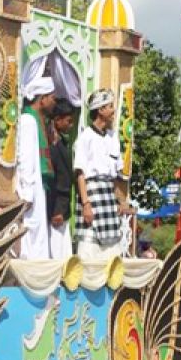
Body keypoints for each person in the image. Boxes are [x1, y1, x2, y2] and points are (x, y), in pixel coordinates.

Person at [74, 88, 130, 262]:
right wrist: (86, 204)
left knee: (112, 253)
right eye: (110, 106)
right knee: (89, 251)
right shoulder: (86, 137)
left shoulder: (113, 137)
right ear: (100, 110)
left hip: (108, 196)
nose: (113, 111)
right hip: (91, 194)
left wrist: (120, 199)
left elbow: (117, 174)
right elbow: (80, 173)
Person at [15, 77, 58, 259]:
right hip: (29, 189)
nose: (54, 103)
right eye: (52, 98)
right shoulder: (27, 120)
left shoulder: (39, 121)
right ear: (42, 99)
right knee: (31, 237)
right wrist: (27, 193)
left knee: (39, 237)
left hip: (37, 186)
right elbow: (25, 159)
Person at [45, 99, 76, 260]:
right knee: (56, 254)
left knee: (64, 254)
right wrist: (56, 210)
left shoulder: (62, 143)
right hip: (56, 206)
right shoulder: (52, 145)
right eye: (68, 121)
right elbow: (54, 180)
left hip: (63, 206)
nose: (70, 126)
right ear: (57, 120)